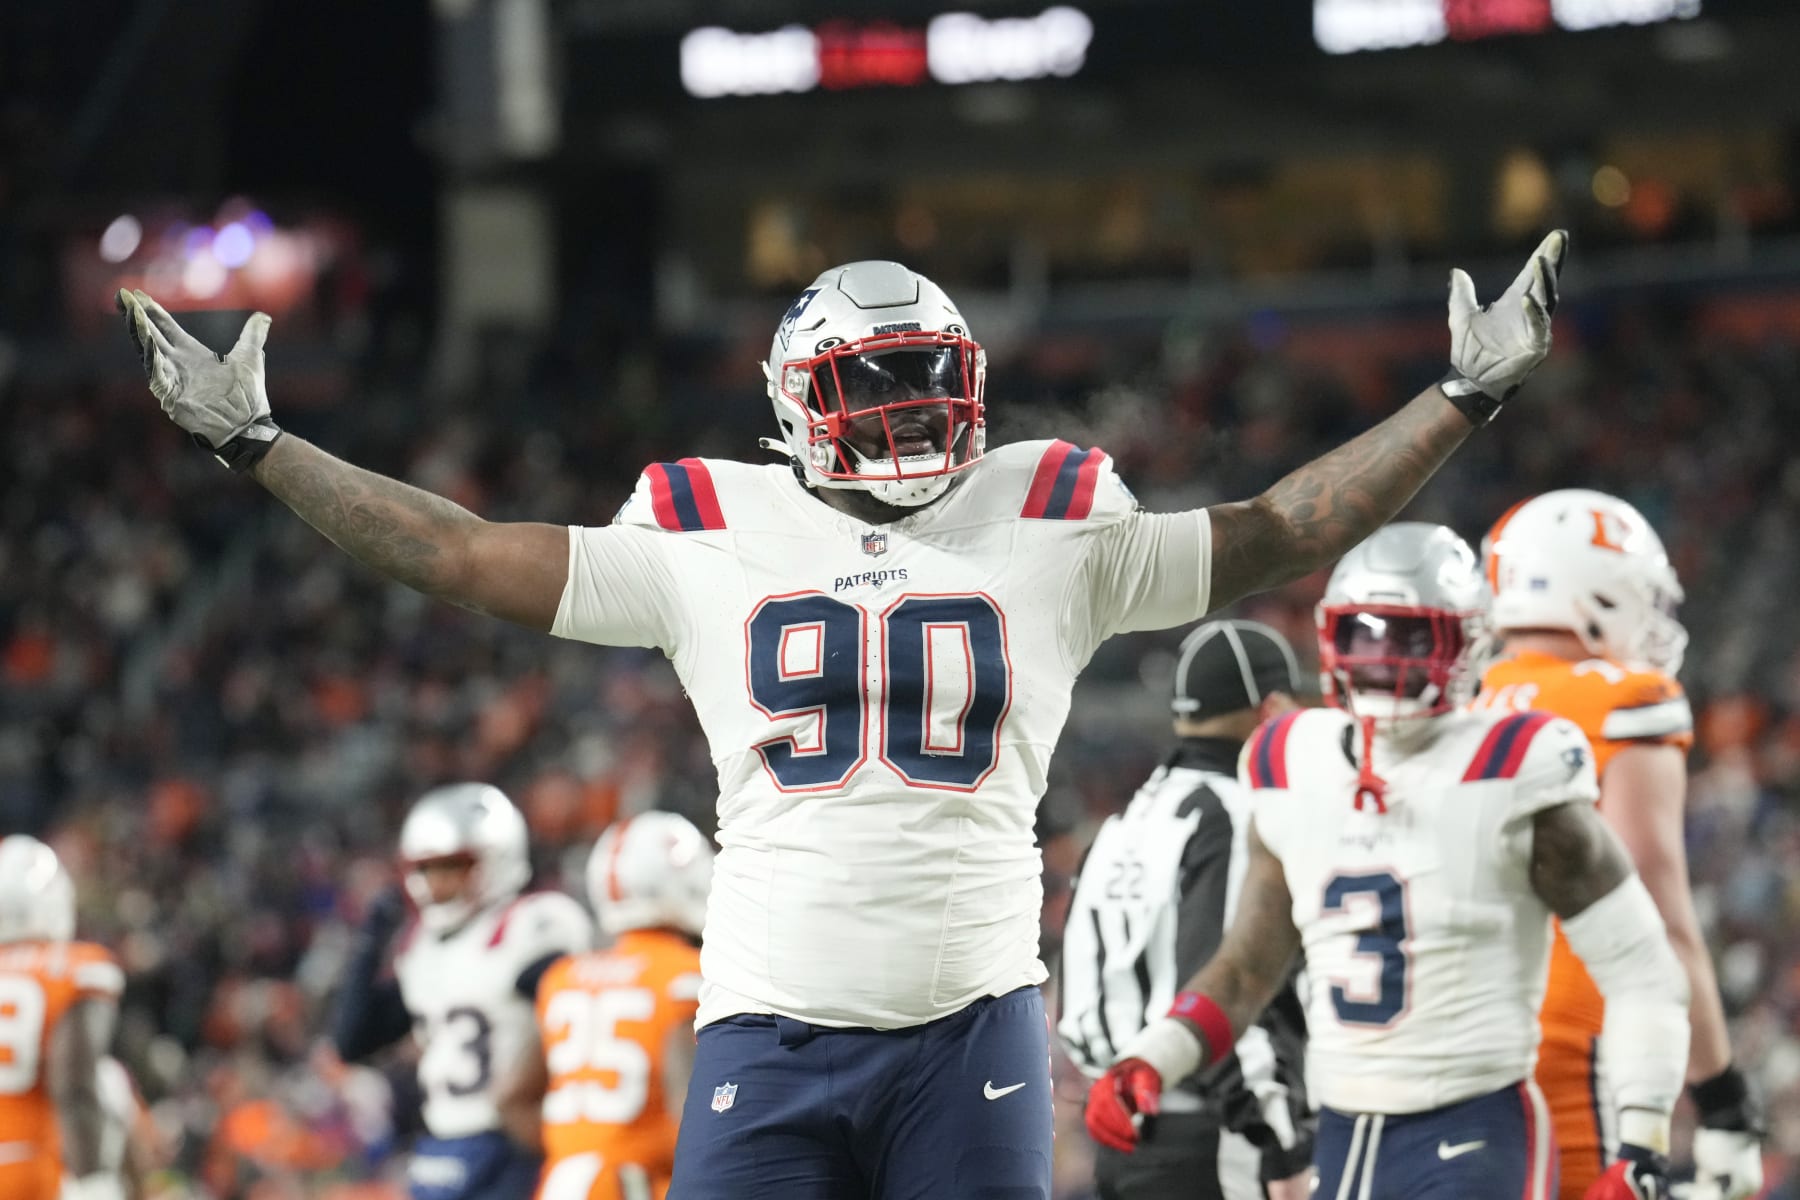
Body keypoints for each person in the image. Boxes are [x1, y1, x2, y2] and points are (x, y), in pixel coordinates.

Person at [119, 231, 1567, 1198]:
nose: (909, 407)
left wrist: (1457, 399)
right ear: (797, 397)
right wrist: (261, 445)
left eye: (931, 377)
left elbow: (1272, 530)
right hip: (766, 1026)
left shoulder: (1050, 512)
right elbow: (455, 551)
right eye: (875, 382)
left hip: (975, 1025)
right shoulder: (705, 528)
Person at [1083, 523, 1692, 1200]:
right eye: (1362, 633)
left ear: (1467, 639)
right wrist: (1154, 1056)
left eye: (1409, 635)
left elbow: (1642, 970)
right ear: (1330, 636)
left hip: (1476, 1127)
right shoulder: (1292, 759)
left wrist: (1642, 1143)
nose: (1382, 657)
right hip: (1344, 1133)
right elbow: (1249, 966)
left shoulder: (1516, 765)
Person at [1479, 490, 1764, 1200]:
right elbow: (1659, 919)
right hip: (1573, 1051)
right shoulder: (1623, 701)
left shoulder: (1457, 703)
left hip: (1445, 1057)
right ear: (1595, 591)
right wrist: (1724, 1100)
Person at [1059, 619, 1314, 1200]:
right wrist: (1279, 1140)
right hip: (1219, 1134)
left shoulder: (1125, 821)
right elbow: (1233, 986)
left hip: (1119, 1129)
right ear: (1272, 709)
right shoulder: (1235, 813)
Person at [331, 784, 594, 1200]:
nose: (434, 883)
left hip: (514, 1141)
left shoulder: (533, 923)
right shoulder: (424, 948)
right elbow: (352, 1042)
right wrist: (367, 946)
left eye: (451, 867)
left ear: (494, 858)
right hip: (440, 1145)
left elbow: (574, 1022)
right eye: (425, 869)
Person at [499, 811, 714, 1200]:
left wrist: (582, 1150)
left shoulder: (562, 977)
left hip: (561, 1185)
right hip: (641, 1187)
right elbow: (695, 1121)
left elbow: (510, 1099)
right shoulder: (690, 976)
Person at [0, 834, 128, 1200]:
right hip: (29, 1171)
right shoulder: (73, 967)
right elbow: (74, 1085)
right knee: (112, 1083)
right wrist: (95, 1181)